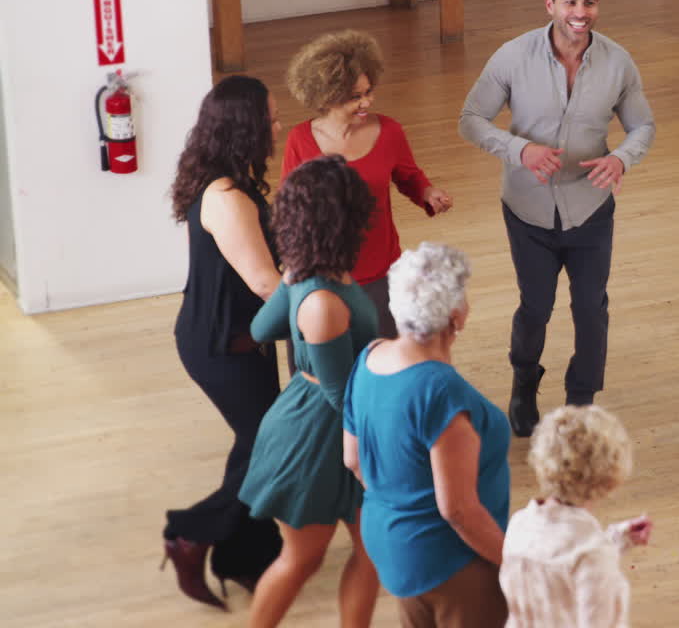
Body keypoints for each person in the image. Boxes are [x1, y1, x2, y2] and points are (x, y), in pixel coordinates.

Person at [459, 0, 655, 437]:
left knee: (591, 308)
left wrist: (623, 159)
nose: (580, 12)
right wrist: (518, 149)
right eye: (570, 1)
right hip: (527, 209)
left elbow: (642, 125)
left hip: (590, 207)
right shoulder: (512, 56)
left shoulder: (617, 62)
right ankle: (524, 382)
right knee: (536, 306)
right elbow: (471, 119)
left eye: (589, 2)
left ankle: (581, 403)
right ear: (550, 4)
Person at [238, 156, 381, 628]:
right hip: (318, 439)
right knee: (303, 560)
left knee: (373, 548)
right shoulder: (322, 300)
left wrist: (287, 281)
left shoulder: (306, 273)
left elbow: (263, 326)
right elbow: (341, 396)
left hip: (326, 422)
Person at [162, 75, 284, 610]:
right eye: (270, 119)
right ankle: (191, 532)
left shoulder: (224, 179)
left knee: (257, 443)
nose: (278, 126)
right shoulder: (228, 197)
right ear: (246, 129)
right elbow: (264, 282)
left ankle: (246, 558)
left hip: (239, 337)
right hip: (222, 345)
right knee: (271, 446)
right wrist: (324, 312)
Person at [342, 242, 511, 628]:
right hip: (451, 561)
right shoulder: (441, 392)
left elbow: (352, 460)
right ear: (456, 318)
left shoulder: (369, 358)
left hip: (390, 545)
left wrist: (401, 504)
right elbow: (458, 511)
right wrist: (517, 562)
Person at [282, 29, 453, 339]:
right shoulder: (300, 141)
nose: (367, 102)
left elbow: (408, 176)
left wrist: (427, 192)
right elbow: (289, 210)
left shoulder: (388, 131)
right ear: (327, 96)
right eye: (355, 97)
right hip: (324, 275)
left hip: (380, 270)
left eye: (369, 91)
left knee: (382, 356)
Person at [501, 405, 653, 628]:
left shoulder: (520, 523)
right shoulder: (592, 553)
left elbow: (559, 565)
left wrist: (616, 540)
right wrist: (605, 548)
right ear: (610, 477)